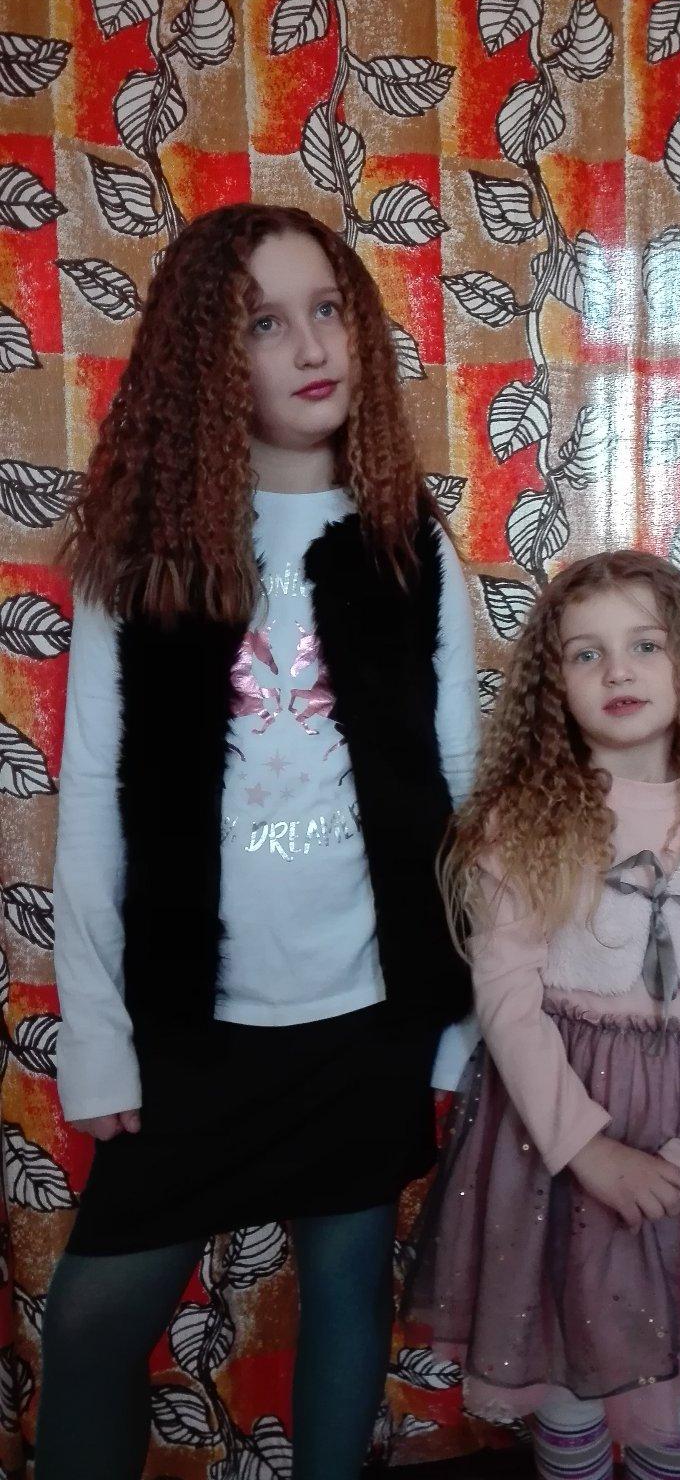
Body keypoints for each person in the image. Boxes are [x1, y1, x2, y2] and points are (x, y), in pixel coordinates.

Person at [37, 203, 480, 1480]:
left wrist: (456, 1022)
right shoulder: (147, 557)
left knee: (347, 1289)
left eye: (326, 309)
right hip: (196, 1028)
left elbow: (458, 794)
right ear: (206, 359)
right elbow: (95, 799)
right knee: (92, 1326)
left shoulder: (410, 547)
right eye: (264, 323)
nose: (311, 346)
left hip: (369, 1016)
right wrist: (99, 1037)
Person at [404, 549, 680, 1480]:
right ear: (552, 685)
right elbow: (508, 1002)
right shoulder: (522, 824)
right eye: (585, 654)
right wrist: (588, 1150)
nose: (618, 671)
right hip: (557, 1149)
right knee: (569, 1375)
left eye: (646, 644)